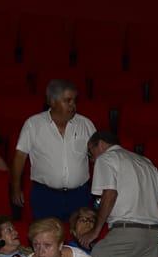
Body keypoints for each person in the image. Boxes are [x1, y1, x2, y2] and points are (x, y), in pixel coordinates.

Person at [86, 131, 158, 257]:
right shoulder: (144, 161)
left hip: (126, 230)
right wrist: (154, 218)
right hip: (151, 234)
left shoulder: (106, 158)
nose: (91, 159)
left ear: (101, 144)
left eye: (91, 152)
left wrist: (95, 231)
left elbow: (109, 194)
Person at [8, 79, 95, 221]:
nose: (73, 105)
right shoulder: (33, 124)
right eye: (68, 100)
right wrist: (16, 188)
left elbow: (97, 157)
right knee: (46, 233)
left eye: (74, 100)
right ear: (53, 102)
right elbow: (19, 157)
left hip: (79, 195)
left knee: (80, 234)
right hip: (45, 195)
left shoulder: (86, 124)